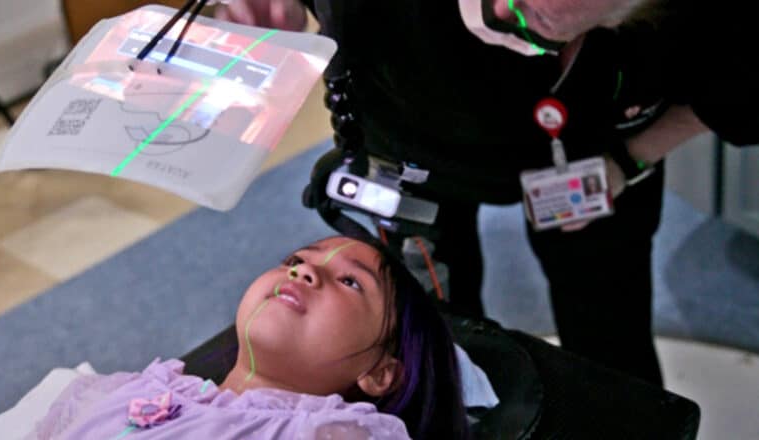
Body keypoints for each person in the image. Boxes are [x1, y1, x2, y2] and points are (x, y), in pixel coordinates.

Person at [215, 0, 759, 386]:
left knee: (609, 325)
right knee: (432, 341)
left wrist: (629, 157)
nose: (499, 13)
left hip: (595, 151)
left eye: (538, 13)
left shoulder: (708, 22)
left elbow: (735, 89)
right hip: (408, 131)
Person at [29, 236, 470, 439]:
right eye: (295, 259)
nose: (303, 270)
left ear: (379, 373)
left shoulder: (328, 433)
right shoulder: (127, 390)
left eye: (351, 282)